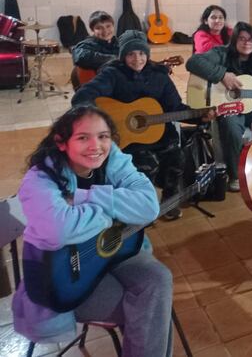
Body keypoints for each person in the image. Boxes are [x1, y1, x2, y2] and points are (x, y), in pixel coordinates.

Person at [12, 105, 173, 356]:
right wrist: (114, 211)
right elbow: (59, 230)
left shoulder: (111, 158)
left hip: (107, 254)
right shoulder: (40, 178)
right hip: (62, 277)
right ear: (61, 142)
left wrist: (82, 197)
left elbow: (149, 206)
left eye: (103, 136)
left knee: (159, 280)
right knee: (152, 307)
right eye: (83, 137)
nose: (95, 146)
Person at [72, 30, 203, 220]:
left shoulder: (159, 76)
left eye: (142, 53)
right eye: (131, 54)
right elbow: (81, 97)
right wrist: (102, 123)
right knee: (147, 166)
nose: (137, 59)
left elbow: (176, 107)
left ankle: (169, 201)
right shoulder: (112, 74)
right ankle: (139, 208)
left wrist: (201, 117)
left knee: (177, 157)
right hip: (128, 139)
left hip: (158, 133)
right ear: (123, 55)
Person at [186, 21, 252, 192]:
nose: (247, 43)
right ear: (235, 39)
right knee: (230, 125)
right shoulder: (221, 53)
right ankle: (236, 173)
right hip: (228, 107)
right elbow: (193, 62)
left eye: (251, 39)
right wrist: (222, 75)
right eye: (242, 39)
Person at [71, 11, 119, 83]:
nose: (105, 31)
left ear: (113, 26)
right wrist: (115, 59)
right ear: (92, 30)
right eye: (99, 28)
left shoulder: (122, 43)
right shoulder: (87, 44)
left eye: (108, 26)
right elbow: (80, 57)